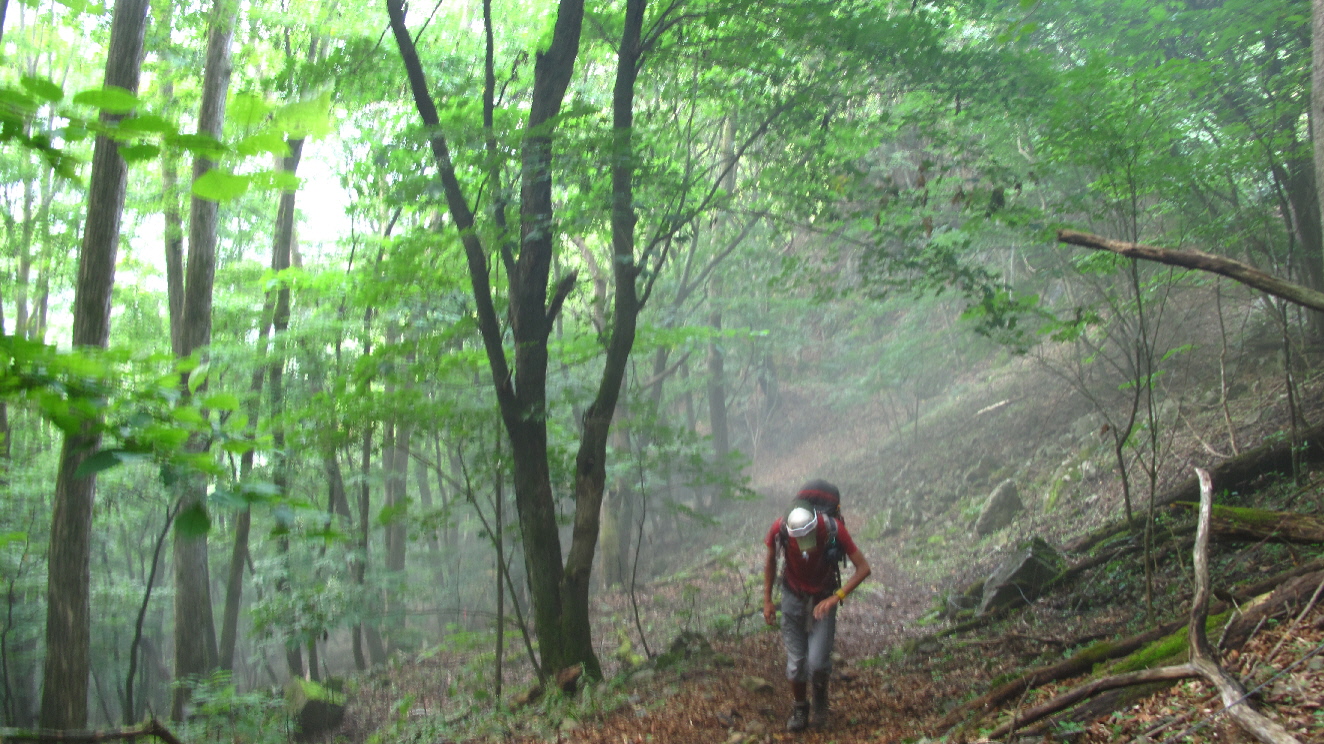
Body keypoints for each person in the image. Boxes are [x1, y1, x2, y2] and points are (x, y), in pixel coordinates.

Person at [762, 479, 871, 732]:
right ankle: (800, 707)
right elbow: (770, 561)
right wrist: (767, 600)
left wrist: (836, 597)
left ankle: (821, 702)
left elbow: (863, 568)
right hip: (792, 596)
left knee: (819, 663)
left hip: (824, 597)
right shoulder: (779, 528)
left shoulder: (832, 528)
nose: (804, 544)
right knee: (796, 663)